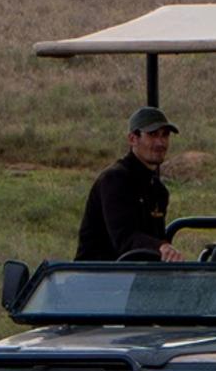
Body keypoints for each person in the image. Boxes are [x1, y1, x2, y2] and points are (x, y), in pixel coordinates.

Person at [75, 106, 181, 260]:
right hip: (97, 277)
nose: (160, 143)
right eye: (152, 135)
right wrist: (160, 247)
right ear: (133, 139)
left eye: (165, 135)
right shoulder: (114, 180)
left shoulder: (158, 190)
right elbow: (124, 239)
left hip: (133, 276)